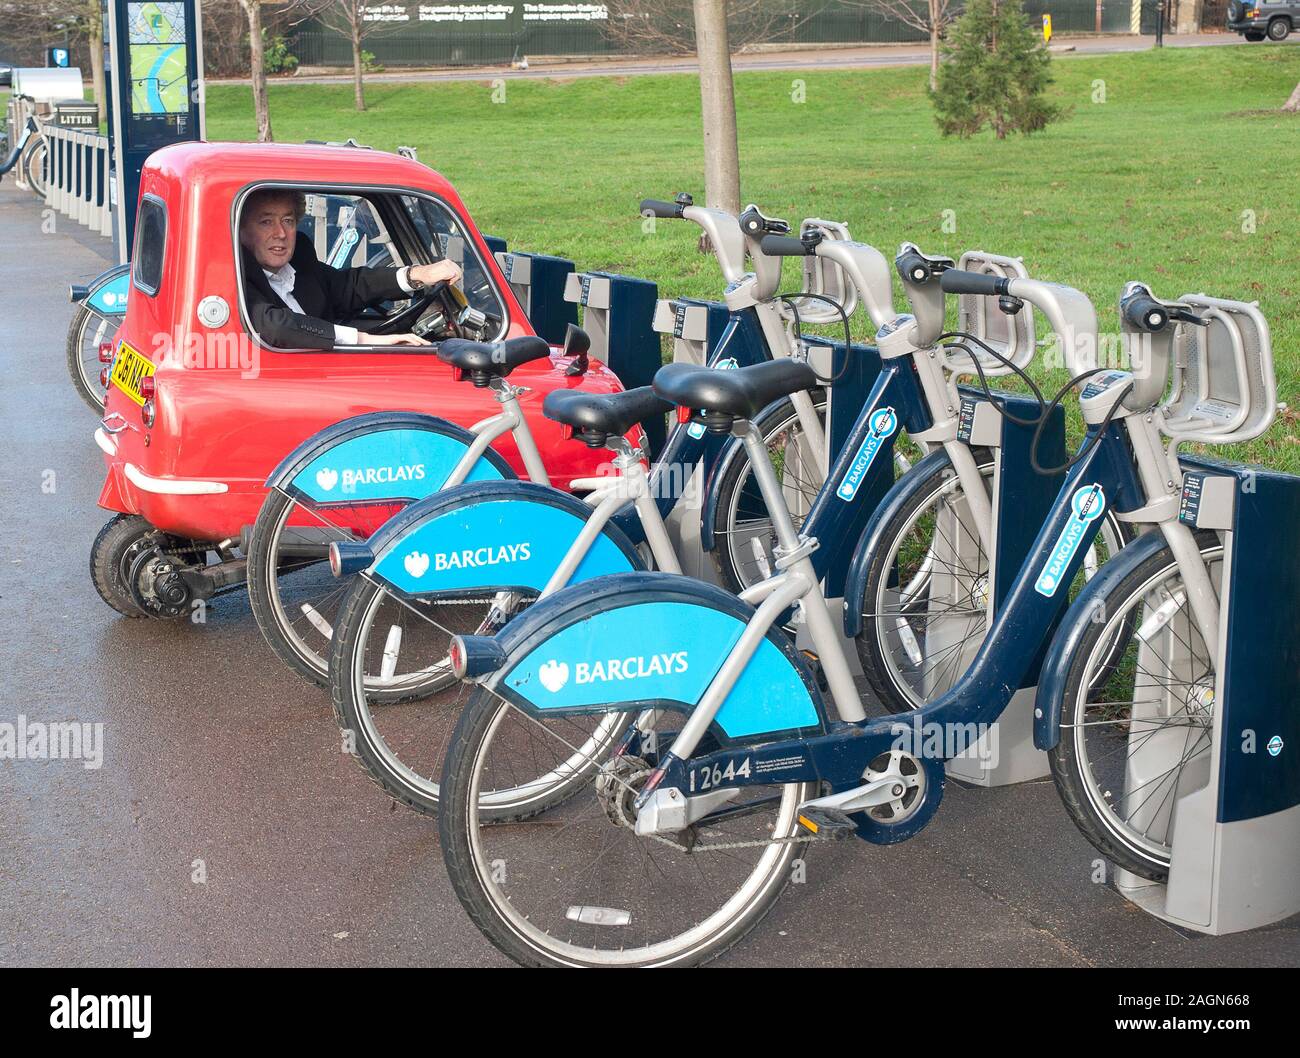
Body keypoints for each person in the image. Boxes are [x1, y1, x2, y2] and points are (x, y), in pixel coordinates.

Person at [239, 188, 462, 349]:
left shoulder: (299, 257)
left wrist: (417, 275)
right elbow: (276, 327)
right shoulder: (234, 273)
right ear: (241, 230)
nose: (280, 233)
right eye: (266, 222)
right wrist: (363, 339)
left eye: (288, 221)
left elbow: (348, 286)